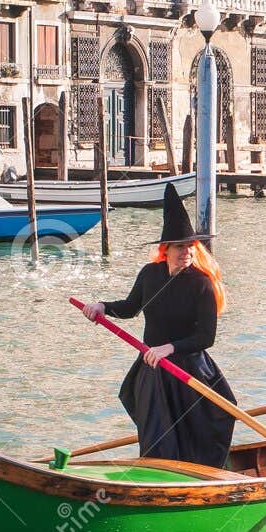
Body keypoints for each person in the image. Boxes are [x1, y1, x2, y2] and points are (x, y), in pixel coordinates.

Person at [80, 183, 235, 469]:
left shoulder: (202, 284)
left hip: (189, 367)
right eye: (180, 246)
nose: (186, 251)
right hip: (153, 367)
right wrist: (102, 307)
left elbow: (206, 337)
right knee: (156, 436)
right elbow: (129, 308)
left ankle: (199, 476)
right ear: (166, 249)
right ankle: (156, 474)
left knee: (208, 425)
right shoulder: (150, 274)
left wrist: (169, 348)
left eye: (190, 246)